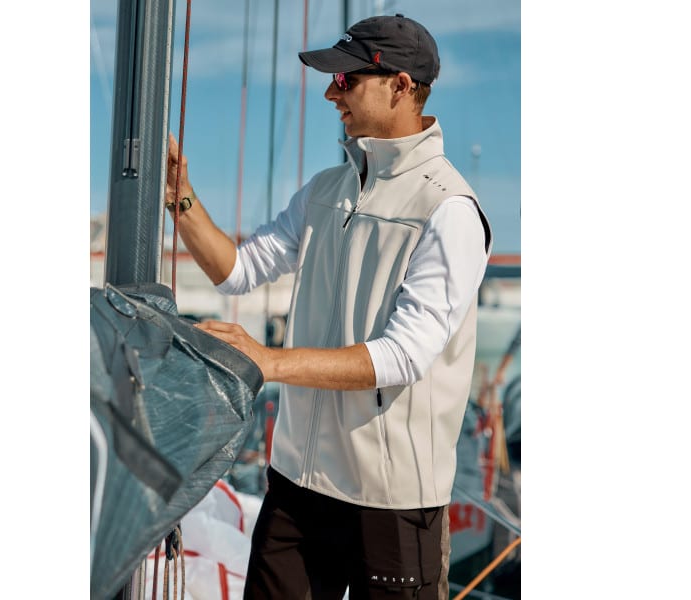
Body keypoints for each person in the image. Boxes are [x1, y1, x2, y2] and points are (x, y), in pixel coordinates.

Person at [165, 13, 492, 600]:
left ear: (401, 86)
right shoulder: (324, 191)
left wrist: (271, 361)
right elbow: (238, 271)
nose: (330, 93)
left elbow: (402, 356)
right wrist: (182, 199)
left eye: (346, 80)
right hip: (298, 482)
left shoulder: (449, 210)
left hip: (391, 503)